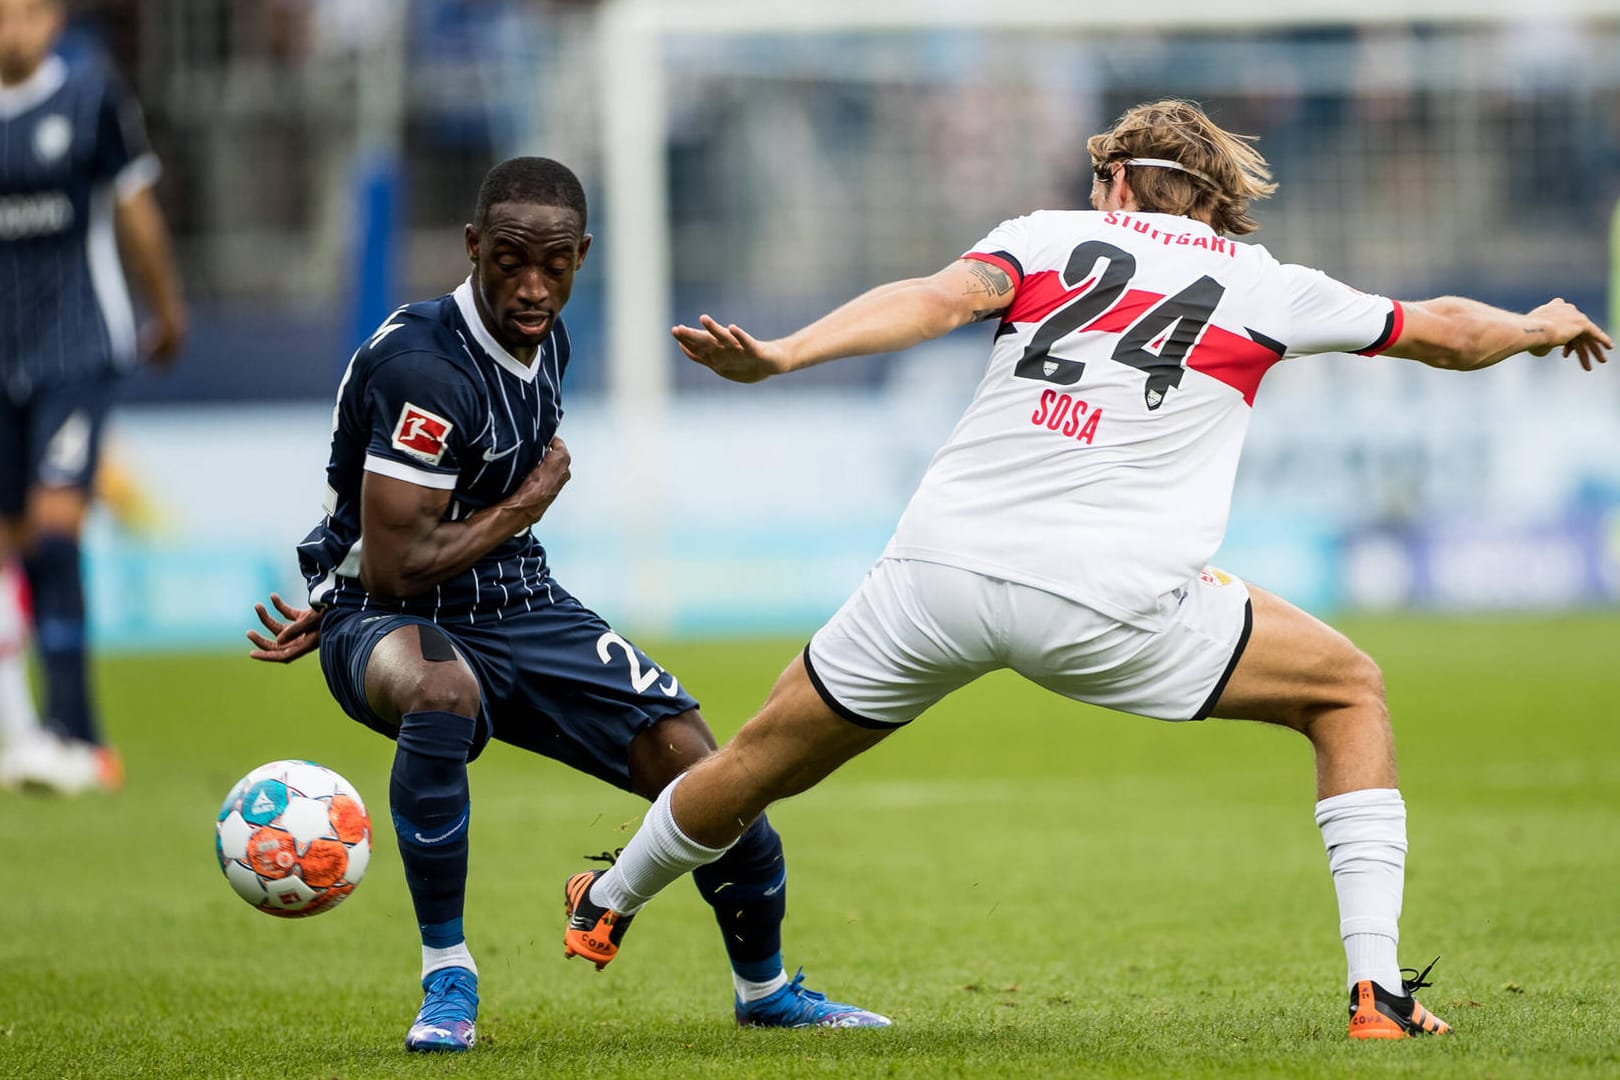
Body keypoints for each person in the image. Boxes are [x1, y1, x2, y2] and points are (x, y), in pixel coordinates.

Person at [561, 99, 1612, 1040]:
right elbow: (1439, 331)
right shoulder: (1267, 284)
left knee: (754, 761)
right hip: (1110, 604)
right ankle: (1377, 995)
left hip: (939, 576)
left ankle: (607, 899)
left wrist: (784, 354)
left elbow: (933, 299)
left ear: (1113, 181)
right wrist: (1532, 326)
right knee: (1348, 691)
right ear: (1214, 202)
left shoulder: (1043, 238)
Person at [246, 156, 888, 1053]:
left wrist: (509, 525)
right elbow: (395, 569)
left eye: (556, 265)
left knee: (711, 773)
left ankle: (766, 990)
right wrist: (524, 505)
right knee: (440, 695)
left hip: (519, 599)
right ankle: (448, 978)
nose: (534, 287)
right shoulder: (425, 366)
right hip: (387, 615)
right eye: (511, 261)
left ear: (584, 255)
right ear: (473, 248)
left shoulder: (547, 333)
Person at [0, 0, 187, 793]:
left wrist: (167, 308)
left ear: (55, 21)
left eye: (31, 12)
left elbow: (136, 209)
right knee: (11, 543)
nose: (16, 28)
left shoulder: (91, 98)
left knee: (53, 527)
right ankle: (24, 731)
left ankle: (80, 734)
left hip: (77, 348)